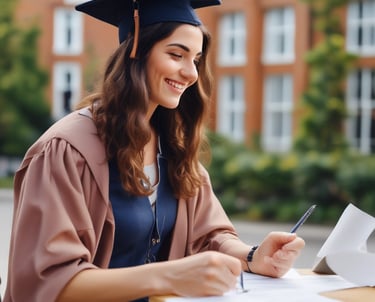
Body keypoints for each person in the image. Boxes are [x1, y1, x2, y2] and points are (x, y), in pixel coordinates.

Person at [4, 0, 305, 301]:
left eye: (197, 60)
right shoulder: (66, 151)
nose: (191, 73)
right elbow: (50, 280)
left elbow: (208, 237)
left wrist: (252, 257)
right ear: (136, 52)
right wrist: (168, 275)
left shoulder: (171, 146)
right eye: (176, 55)